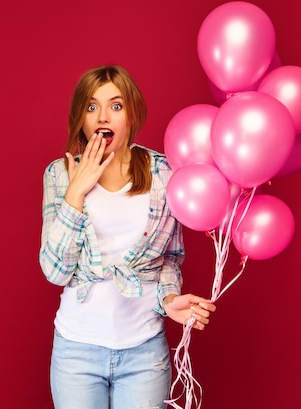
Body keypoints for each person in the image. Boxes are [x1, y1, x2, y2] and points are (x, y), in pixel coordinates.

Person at [39, 65, 217, 409]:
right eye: (92, 107)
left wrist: (168, 300)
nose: (103, 116)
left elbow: (169, 258)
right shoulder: (60, 174)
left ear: (131, 114)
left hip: (143, 352)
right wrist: (75, 194)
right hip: (76, 352)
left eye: (115, 106)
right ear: (81, 118)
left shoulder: (164, 174)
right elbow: (54, 272)